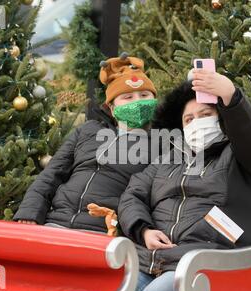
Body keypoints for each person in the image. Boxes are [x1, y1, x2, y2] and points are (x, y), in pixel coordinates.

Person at [118, 68, 251, 291]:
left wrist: (230, 98)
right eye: (189, 119)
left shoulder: (245, 157)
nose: (197, 123)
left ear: (221, 118)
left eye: (205, 115)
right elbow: (132, 195)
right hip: (149, 260)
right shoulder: (168, 160)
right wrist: (144, 230)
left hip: (206, 263)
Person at [13, 53, 157, 233]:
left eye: (144, 95)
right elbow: (52, 173)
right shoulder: (88, 130)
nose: (137, 102)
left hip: (103, 229)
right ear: (112, 108)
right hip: (56, 222)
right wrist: (30, 212)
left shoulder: (159, 144)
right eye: (127, 98)